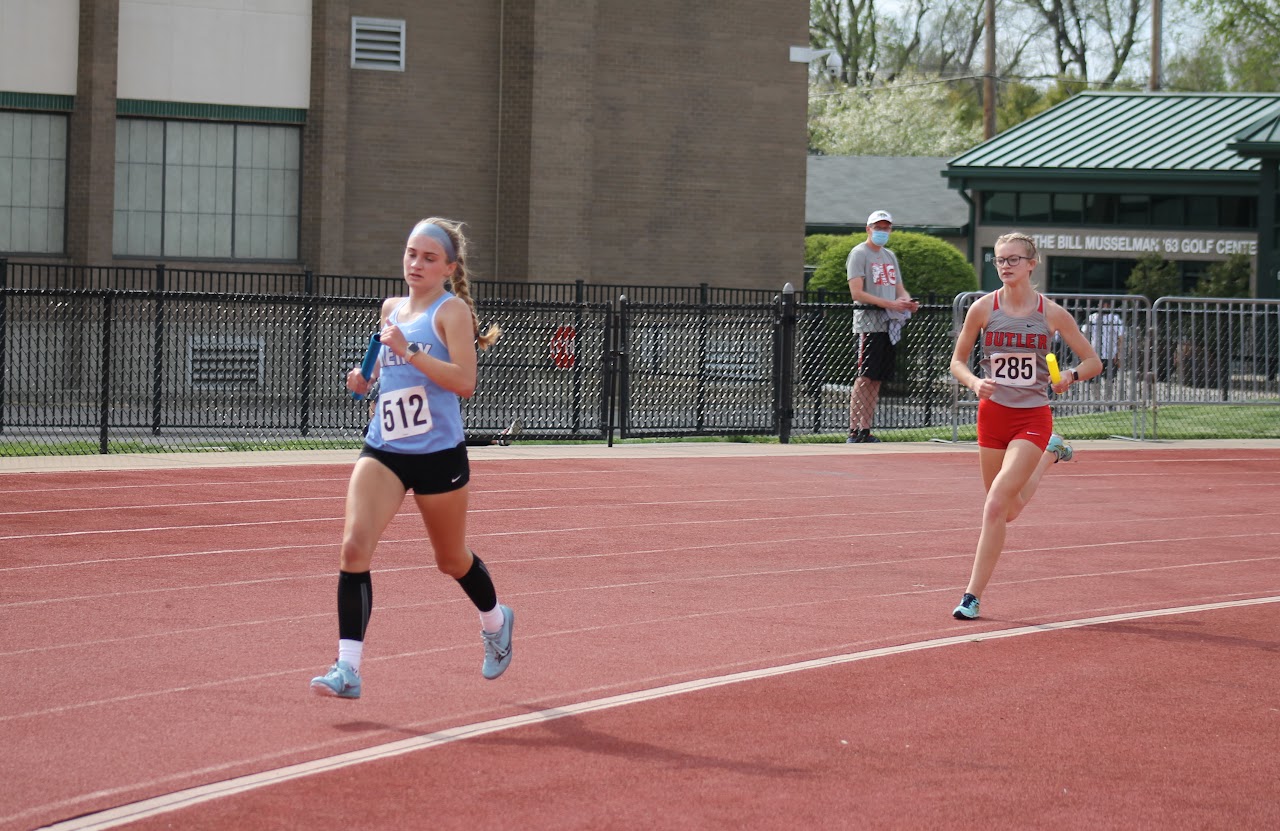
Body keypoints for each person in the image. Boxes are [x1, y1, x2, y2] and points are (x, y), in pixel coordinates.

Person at [311, 217, 514, 698]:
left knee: (450, 559)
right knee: (354, 547)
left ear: (448, 266)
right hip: (385, 448)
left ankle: (495, 621)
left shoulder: (452, 312)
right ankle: (348, 669)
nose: (416, 263)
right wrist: (363, 381)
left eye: (428, 257)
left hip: (438, 454)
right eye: (410, 254)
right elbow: (386, 369)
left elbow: (465, 382)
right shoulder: (392, 308)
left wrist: (410, 351)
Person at [948, 232, 1101, 621]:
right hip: (992, 415)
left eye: (1014, 259)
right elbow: (957, 362)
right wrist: (974, 382)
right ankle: (1052, 453)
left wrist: (1070, 374)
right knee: (1008, 511)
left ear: (1032, 264)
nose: (1005, 266)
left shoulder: (1051, 313)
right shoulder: (983, 308)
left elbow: (1093, 362)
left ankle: (971, 596)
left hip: (1032, 416)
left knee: (995, 503)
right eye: (1000, 260)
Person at [846, 210, 919, 443]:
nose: (882, 231)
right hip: (869, 323)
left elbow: (899, 288)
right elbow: (856, 292)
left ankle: (865, 428)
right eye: (878, 227)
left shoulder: (889, 256)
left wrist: (906, 303)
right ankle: (853, 429)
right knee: (864, 377)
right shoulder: (859, 254)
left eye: (886, 227)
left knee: (877, 378)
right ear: (868, 229)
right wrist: (890, 304)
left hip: (889, 324)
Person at [1083, 300, 1125, 401]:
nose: (1100, 306)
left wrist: (1118, 354)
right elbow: (1085, 334)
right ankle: (1096, 401)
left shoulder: (1115, 319)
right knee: (1094, 381)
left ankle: (1108, 400)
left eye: (1103, 304)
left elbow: (1120, 338)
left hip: (1110, 354)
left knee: (1109, 380)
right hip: (1095, 354)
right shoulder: (1092, 318)